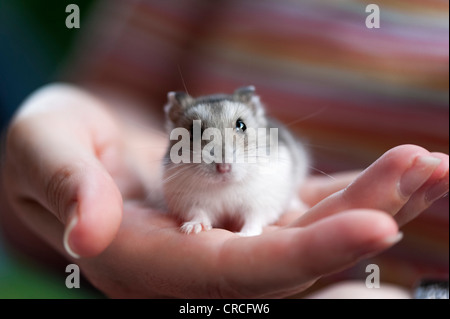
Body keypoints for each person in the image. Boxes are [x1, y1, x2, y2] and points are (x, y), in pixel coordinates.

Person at [0, 0, 448, 298]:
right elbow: (118, 93)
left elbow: (266, 193)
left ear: (253, 115)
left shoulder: (272, 153)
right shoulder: (173, 174)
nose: (222, 159)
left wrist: (256, 221)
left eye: (237, 130)